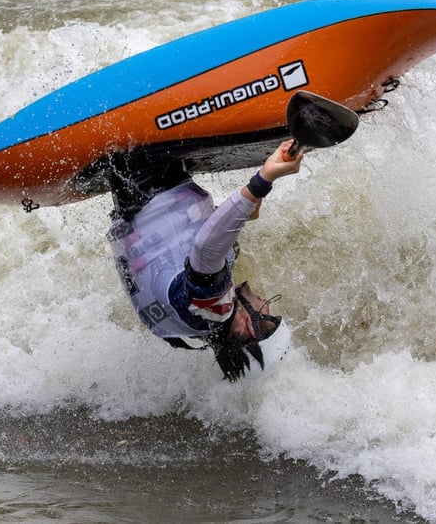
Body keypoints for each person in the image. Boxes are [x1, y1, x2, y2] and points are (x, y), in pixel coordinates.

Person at [107, 140, 303, 381]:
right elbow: (189, 245)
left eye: (269, 318)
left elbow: (206, 248)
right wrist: (247, 210)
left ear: (251, 329)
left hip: (151, 169)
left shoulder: (215, 307)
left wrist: (265, 178)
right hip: (131, 186)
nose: (265, 302)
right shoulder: (180, 330)